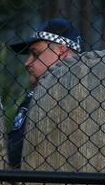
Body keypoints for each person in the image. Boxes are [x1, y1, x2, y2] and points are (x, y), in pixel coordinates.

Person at [7, 18, 83, 169]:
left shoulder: (80, 96)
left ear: (61, 52)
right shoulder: (38, 94)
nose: (27, 62)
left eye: (35, 54)